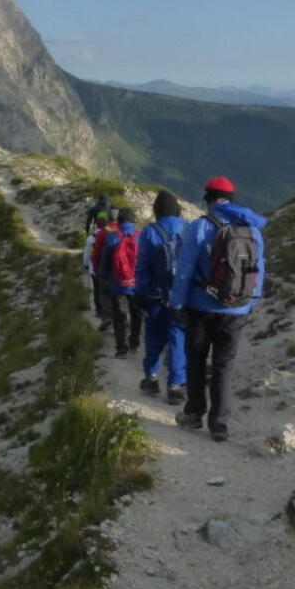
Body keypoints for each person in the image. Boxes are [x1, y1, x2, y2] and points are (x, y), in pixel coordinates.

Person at [169, 176, 266, 442]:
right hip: (237, 308)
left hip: (201, 306)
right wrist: (251, 301)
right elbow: (259, 269)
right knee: (225, 364)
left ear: (208, 198)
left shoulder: (200, 227)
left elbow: (185, 269)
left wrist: (177, 302)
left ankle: (193, 413)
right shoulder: (252, 229)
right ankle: (220, 424)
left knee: (197, 360)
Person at [135, 190, 188, 404]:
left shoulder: (149, 232)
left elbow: (142, 266)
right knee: (178, 337)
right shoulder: (188, 228)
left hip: (155, 295)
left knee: (154, 337)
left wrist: (141, 293)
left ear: (157, 210)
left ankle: (151, 377)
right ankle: (176, 385)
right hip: (181, 297)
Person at [99, 207, 143, 358]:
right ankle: (135, 342)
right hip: (137, 285)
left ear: (119, 220)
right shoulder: (141, 236)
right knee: (137, 314)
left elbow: (105, 261)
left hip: (117, 284)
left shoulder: (112, 237)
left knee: (119, 316)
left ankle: (121, 349)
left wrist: (104, 277)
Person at [89, 209, 120, 332]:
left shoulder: (102, 233)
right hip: (119, 270)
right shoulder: (122, 231)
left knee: (104, 295)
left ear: (108, 220)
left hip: (105, 269)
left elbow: (96, 253)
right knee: (119, 296)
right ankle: (122, 317)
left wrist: (96, 268)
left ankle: (107, 317)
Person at [83, 211, 111, 326]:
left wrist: (85, 264)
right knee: (107, 291)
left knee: (97, 290)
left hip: (94, 268)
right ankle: (110, 312)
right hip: (108, 269)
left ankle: (99, 311)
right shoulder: (111, 235)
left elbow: (87, 254)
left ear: (97, 223)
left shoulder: (91, 238)